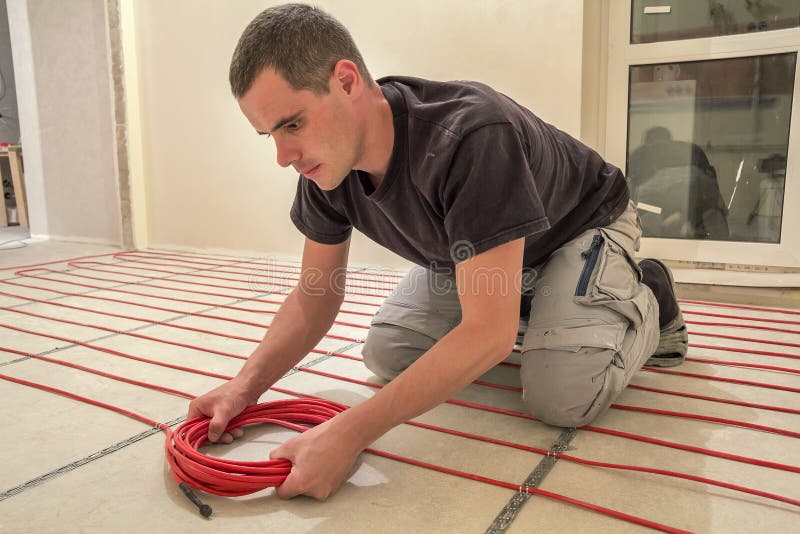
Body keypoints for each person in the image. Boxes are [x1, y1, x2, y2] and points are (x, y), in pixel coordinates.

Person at [187, 3, 688, 501]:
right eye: (269, 134)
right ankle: (531, 303)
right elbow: (314, 295)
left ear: (345, 82)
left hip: (583, 227)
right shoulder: (325, 169)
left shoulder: (470, 136)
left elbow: (488, 336)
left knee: (563, 394)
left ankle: (651, 296)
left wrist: (348, 433)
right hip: (485, 258)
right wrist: (244, 387)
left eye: (292, 125)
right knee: (389, 351)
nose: (282, 156)